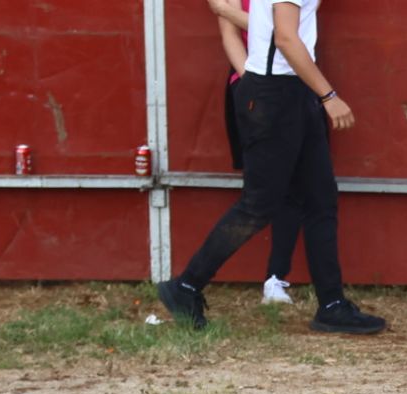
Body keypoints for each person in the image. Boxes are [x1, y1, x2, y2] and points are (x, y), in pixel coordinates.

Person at [158, 0, 384, 334]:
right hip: (277, 93)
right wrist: (329, 96)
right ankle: (187, 286)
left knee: (320, 199)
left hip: (291, 89)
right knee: (259, 204)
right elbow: (286, 39)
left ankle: (332, 305)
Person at [209, 0, 302, 306]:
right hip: (252, 86)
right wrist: (252, 84)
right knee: (261, 193)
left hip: (296, 78)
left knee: (297, 185)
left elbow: (289, 32)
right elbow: (230, 35)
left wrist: (227, 11)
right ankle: (190, 283)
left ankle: (276, 278)